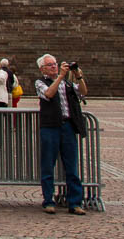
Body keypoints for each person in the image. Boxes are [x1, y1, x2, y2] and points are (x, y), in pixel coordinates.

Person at [35, 54, 88, 215]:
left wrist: (79, 76)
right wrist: (60, 77)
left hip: (67, 127)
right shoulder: (41, 82)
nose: (54, 67)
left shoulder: (67, 83)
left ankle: (75, 202)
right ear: (42, 68)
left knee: (72, 165)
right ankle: (48, 201)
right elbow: (49, 94)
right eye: (50, 65)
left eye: (55, 64)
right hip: (50, 126)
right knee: (48, 165)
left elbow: (83, 92)